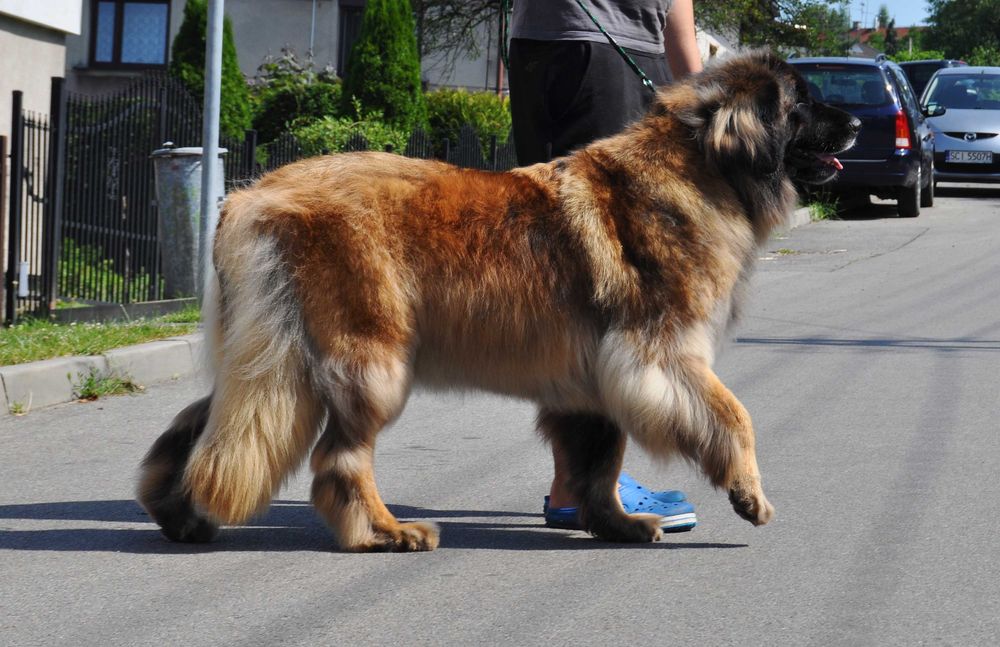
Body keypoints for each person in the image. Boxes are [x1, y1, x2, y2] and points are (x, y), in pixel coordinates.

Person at [506, 0, 704, 532]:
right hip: (609, 57)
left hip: (537, 50)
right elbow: (679, 35)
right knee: (603, 293)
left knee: (563, 278)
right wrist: (708, 113)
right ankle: (585, 484)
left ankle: (575, 477)